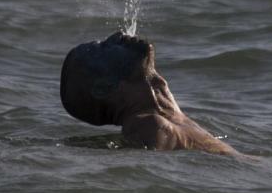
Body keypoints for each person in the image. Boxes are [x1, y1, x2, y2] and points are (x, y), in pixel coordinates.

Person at [60, 31, 237, 155]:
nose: (116, 35)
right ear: (103, 87)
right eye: (104, 47)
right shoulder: (145, 124)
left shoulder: (168, 113)